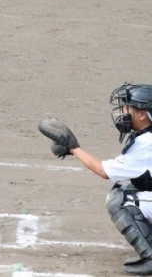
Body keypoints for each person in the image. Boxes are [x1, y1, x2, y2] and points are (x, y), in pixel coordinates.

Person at [64, 83, 152, 276]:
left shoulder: (146, 143)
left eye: (128, 107)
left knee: (120, 200)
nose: (123, 112)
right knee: (131, 187)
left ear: (142, 114)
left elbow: (104, 171)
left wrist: (74, 148)